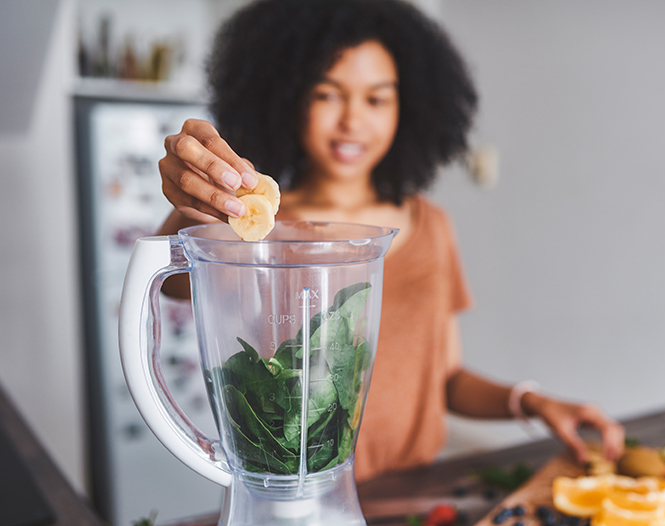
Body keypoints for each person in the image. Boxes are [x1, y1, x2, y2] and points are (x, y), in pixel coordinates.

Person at [156, 0, 625, 482]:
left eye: (376, 99)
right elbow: (169, 281)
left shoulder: (431, 226)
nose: (353, 121)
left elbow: (445, 380)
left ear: (410, 105)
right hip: (285, 498)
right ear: (287, 97)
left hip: (410, 496)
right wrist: (194, 196)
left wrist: (533, 402)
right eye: (327, 94)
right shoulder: (251, 227)